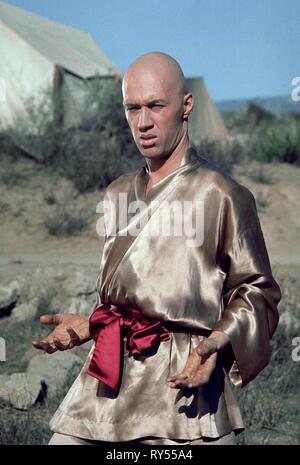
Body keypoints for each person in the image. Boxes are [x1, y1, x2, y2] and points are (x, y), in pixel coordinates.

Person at [32, 52, 281, 446]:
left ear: (186, 105)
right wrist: (92, 324)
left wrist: (215, 342)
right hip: (111, 375)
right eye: (133, 108)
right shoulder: (117, 193)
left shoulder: (223, 193)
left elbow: (257, 291)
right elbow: (134, 288)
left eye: (155, 106)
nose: (143, 122)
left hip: (186, 382)